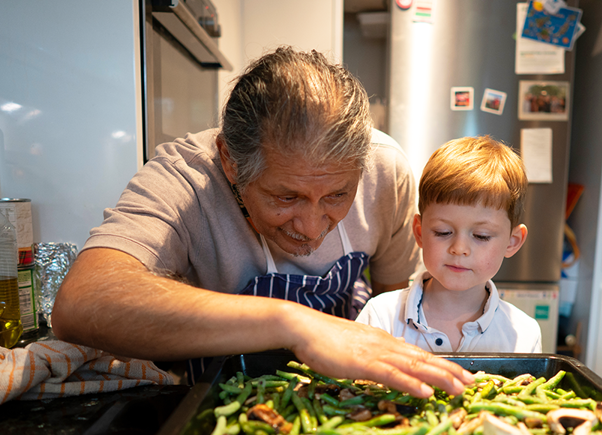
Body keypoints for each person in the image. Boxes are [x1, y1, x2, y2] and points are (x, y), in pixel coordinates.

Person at [51, 47, 473, 398]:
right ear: (231, 162)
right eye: (285, 197)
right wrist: (294, 324)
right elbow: (81, 302)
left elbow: (394, 298)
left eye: (337, 196)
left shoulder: (386, 170)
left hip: (341, 400)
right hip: (213, 400)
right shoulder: (185, 179)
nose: (310, 228)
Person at [355, 135, 542, 354]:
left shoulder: (523, 334)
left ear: (512, 242)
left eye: (481, 236)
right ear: (419, 232)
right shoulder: (380, 317)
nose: (459, 248)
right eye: (443, 232)